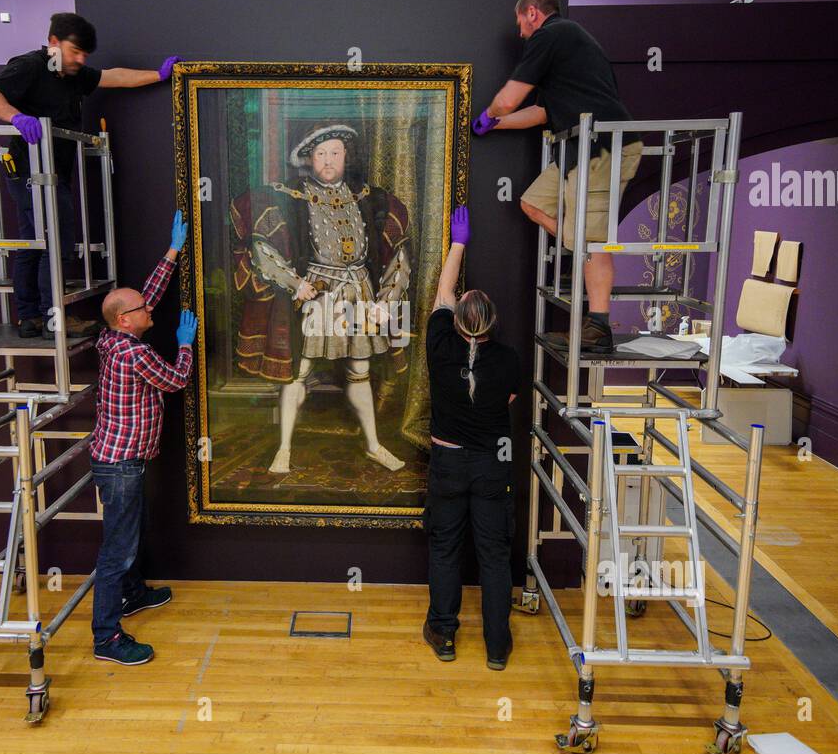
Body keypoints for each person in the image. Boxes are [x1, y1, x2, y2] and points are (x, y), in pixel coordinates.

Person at [0, 12, 183, 339]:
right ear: (54, 42)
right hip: (31, 170)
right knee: (53, 243)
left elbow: (113, 77)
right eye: (74, 51)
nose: (79, 59)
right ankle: (52, 319)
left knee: (33, 243)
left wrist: (158, 75)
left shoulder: (72, 74)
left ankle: (30, 317)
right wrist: (16, 118)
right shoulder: (30, 65)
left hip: (52, 171)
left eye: (84, 55)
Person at [230, 122, 413, 474]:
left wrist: (385, 302)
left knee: (359, 370)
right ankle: (283, 449)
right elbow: (261, 247)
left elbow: (399, 256)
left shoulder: (371, 199)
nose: (328, 161)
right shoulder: (286, 197)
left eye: (335, 153)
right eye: (320, 154)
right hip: (317, 293)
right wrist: (294, 282)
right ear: (309, 159)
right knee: (299, 371)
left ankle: (374, 445)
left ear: (346, 156)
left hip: (360, 291)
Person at [471, 0, 644, 354]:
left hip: (603, 147)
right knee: (533, 204)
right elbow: (540, 112)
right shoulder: (565, 51)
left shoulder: (553, 34)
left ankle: (598, 327)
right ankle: (579, 251)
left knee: (592, 238)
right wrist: (496, 126)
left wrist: (489, 114)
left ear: (533, 13)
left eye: (521, 23)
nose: (520, 33)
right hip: (578, 149)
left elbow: (509, 98)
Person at [88, 212, 196, 665]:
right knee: (119, 546)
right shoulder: (134, 354)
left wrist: (173, 251)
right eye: (143, 309)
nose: (151, 307)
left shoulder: (114, 335)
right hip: (121, 465)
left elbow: (143, 296)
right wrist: (185, 343)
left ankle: (132, 595)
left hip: (119, 460)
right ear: (127, 321)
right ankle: (107, 637)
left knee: (130, 532)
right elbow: (175, 380)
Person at [422, 205, 522, 671]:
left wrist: (458, 243)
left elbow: (444, 291)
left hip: (447, 464)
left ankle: (444, 635)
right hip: (491, 466)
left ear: (459, 321)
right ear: (490, 323)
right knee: (494, 555)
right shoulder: (507, 359)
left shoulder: (440, 345)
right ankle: (496, 646)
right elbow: (507, 403)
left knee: (445, 548)